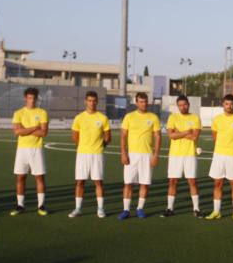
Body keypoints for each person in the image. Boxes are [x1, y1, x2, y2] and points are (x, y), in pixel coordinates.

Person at [119, 92, 161, 220]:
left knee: (144, 183)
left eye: (145, 101)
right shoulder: (129, 117)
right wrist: (123, 153)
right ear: (136, 103)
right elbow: (123, 135)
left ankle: (140, 208)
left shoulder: (153, 117)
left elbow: (158, 137)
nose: (144, 104)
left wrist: (156, 155)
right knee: (128, 183)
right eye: (141, 101)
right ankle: (126, 210)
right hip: (132, 155)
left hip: (147, 155)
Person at [206, 94, 233, 220]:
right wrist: (221, 147)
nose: (229, 106)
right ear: (223, 104)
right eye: (226, 104)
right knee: (217, 183)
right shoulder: (217, 119)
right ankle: (216, 211)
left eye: (231, 104)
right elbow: (214, 136)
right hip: (218, 156)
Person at [69, 91, 111, 218]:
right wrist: (83, 146)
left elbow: (108, 137)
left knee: (98, 182)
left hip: (97, 154)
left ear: (97, 102)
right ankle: (78, 208)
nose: (92, 103)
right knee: (80, 181)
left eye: (94, 101)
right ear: (85, 101)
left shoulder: (102, 118)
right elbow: (75, 136)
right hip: (82, 154)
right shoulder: (79, 117)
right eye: (89, 100)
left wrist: (99, 146)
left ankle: (100, 208)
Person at [10, 87, 48, 216]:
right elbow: (17, 131)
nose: (32, 101)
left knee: (39, 178)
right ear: (25, 98)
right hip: (22, 150)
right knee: (20, 177)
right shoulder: (18, 113)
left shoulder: (42, 112)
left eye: (34, 98)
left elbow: (43, 132)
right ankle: (20, 205)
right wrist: (34, 127)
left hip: (36, 150)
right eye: (29, 98)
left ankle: (41, 206)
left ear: (37, 99)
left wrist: (25, 129)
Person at [164, 94, 202, 217]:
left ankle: (196, 209)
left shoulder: (195, 118)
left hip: (190, 154)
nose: (183, 107)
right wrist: (186, 132)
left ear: (188, 105)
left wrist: (178, 132)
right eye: (180, 105)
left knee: (192, 182)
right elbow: (170, 135)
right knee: (173, 181)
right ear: (178, 106)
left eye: (185, 104)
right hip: (175, 155)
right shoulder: (172, 117)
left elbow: (194, 137)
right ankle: (170, 208)